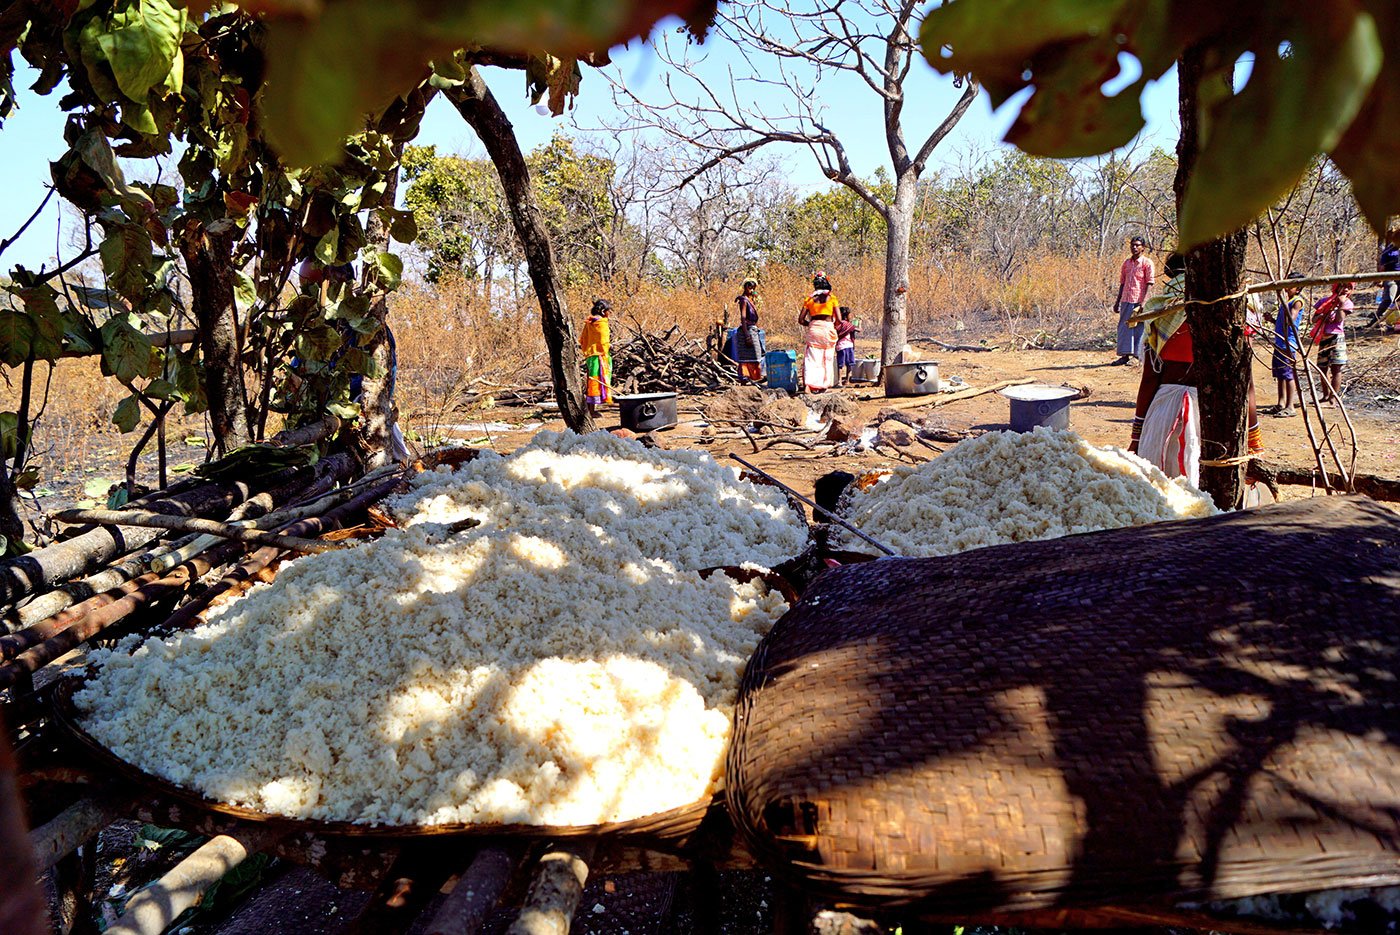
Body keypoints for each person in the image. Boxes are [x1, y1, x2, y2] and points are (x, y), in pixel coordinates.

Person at [1130, 252, 1262, 488]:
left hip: (1165, 413)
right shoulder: (1234, 314)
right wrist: (1254, 441)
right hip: (1218, 416)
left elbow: (1150, 380)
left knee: (1160, 492)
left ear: (1171, 275)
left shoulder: (1160, 314)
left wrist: (1137, 436)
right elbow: (1246, 385)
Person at [1263, 272, 1307, 418]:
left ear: (1298, 287)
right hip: (1280, 341)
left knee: (1288, 374)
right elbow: (1282, 324)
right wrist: (1272, 320)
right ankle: (1281, 403)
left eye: (1290, 284)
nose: (1287, 287)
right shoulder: (1287, 301)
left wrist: (1283, 303)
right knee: (1280, 374)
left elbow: (1290, 320)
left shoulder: (1297, 301)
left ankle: (1290, 406)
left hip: (1288, 343)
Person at [1112, 236, 1155, 365]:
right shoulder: (1126, 263)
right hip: (1126, 299)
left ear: (1143, 247)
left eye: (1137, 245)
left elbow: (1150, 282)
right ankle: (1125, 355)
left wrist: (1144, 301)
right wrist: (1117, 301)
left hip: (1139, 300)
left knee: (1139, 328)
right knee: (1124, 327)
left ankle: (1136, 357)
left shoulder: (1147, 263)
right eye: (1132, 245)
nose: (1134, 247)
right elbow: (1122, 283)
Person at [1310, 281, 1353, 405]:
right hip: (1324, 337)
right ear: (1336, 287)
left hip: (1337, 338)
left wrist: (1340, 303)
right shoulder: (1325, 301)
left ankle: (1333, 398)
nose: (1345, 289)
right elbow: (1314, 319)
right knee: (1322, 368)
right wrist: (1323, 316)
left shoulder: (1347, 303)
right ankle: (1325, 395)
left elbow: (1339, 318)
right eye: (1343, 286)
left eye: (1348, 288)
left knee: (1336, 369)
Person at [799, 272, 840, 393]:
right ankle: (824, 385)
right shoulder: (832, 298)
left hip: (814, 330)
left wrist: (811, 324)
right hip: (827, 329)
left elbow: (801, 319)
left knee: (812, 357)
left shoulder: (809, 299)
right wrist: (833, 326)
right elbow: (839, 319)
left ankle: (809, 385)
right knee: (826, 357)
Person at [581, 298, 612, 416]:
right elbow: (604, 341)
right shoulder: (602, 324)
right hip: (599, 357)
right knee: (595, 381)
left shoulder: (590, 323)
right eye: (608, 311)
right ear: (604, 311)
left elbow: (583, 339)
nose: (609, 314)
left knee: (592, 381)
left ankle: (591, 409)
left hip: (591, 356)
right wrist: (605, 349)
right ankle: (591, 410)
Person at [733, 278, 764, 382]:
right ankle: (745, 377)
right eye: (750, 287)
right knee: (750, 355)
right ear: (746, 287)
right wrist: (747, 335)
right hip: (748, 330)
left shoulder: (750, 300)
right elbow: (743, 318)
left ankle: (754, 377)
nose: (752, 290)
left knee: (757, 354)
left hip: (753, 329)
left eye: (753, 288)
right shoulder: (744, 301)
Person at [1374, 239, 1399, 329]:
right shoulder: (1389, 251)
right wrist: (1380, 280)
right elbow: (1382, 266)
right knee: (1388, 299)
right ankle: (1376, 320)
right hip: (1391, 277)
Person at [834, 306, 860, 386]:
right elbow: (859, 329)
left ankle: (839, 382)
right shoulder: (848, 325)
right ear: (846, 316)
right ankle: (847, 380)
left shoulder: (837, 325)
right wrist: (860, 323)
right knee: (849, 364)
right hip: (848, 346)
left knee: (840, 365)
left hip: (840, 346)